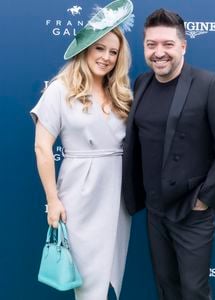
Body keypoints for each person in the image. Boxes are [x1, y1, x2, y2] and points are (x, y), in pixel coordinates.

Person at [122, 8, 215, 300]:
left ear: (183, 45)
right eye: (151, 45)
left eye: (167, 44)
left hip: (191, 211)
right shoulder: (141, 83)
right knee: (166, 289)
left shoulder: (209, 84)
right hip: (154, 210)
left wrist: (204, 200)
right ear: (144, 46)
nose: (159, 52)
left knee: (193, 293)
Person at [30, 1, 134, 299]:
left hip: (117, 194)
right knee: (87, 281)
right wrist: (52, 199)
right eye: (100, 48)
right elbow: (42, 148)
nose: (106, 57)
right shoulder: (60, 89)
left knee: (109, 274)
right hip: (79, 192)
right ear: (86, 48)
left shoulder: (121, 94)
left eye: (113, 52)